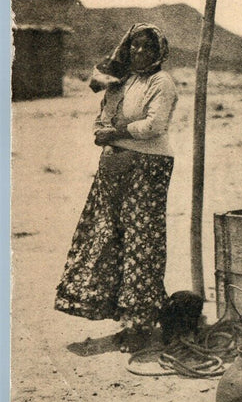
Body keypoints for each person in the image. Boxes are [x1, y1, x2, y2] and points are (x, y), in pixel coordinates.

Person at [55, 23, 178, 352]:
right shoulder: (123, 80)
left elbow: (154, 125)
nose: (139, 52)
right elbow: (103, 118)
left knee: (142, 243)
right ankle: (129, 317)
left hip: (148, 167)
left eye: (146, 48)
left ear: (159, 52)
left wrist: (115, 133)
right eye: (134, 47)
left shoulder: (161, 82)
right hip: (115, 166)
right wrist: (105, 131)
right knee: (112, 238)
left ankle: (139, 325)